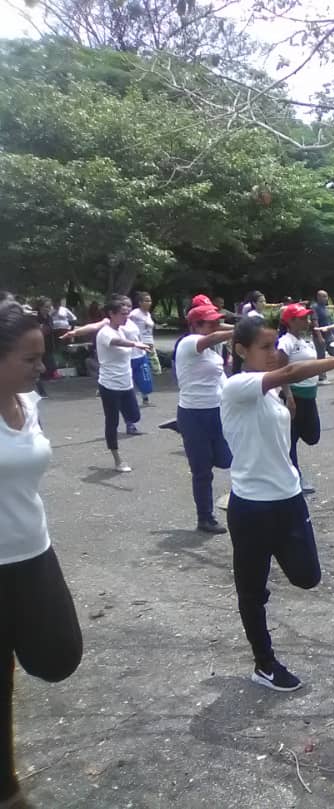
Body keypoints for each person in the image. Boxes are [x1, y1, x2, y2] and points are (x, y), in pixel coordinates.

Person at [222, 316, 334, 691]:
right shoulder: (236, 386)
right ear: (241, 350)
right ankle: (264, 663)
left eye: (274, 345)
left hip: (289, 499)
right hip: (251, 506)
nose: (273, 352)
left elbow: (284, 391)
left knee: (307, 577)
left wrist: (287, 394)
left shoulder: (268, 389)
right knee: (252, 592)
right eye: (264, 347)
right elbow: (290, 371)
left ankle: (272, 558)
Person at [0, 302, 83, 809]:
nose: (42, 367)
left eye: (42, 355)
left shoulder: (29, 405)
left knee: (59, 656)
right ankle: (7, 790)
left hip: (34, 555)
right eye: (29, 359)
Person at [175, 303, 234, 533]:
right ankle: (205, 518)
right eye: (211, 323)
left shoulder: (211, 352)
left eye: (217, 322)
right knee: (202, 470)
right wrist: (242, 329)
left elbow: (221, 380)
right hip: (194, 414)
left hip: (216, 411)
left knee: (227, 459)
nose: (216, 326)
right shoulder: (189, 342)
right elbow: (214, 336)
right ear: (195, 325)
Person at [94, 297, 152, 471]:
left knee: (134, 416)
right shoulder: (105, 332)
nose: (126, 317)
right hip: (110, 385)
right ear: (111, 314)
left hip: (126, 384)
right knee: (112, 422)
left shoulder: (121, 330)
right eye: (122, 314)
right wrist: (135, 344)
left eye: (127, 313)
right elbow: (116, 342)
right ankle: (118, 460)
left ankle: (117, 404)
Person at [276, 303, 323, 493]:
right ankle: (295, 478)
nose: (307, 320)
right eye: (303, 318)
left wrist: (318, 337)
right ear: (291, 321)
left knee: (313, 436)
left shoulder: (305, 341)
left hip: (310, 396)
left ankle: (284, 470)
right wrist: (288, 396)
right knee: (291, 440)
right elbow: (280, 370)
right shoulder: (285, 342)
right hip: (294, 396)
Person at [127, 291, 156, 405]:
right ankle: (138, 396)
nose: (149, 303)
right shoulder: (134, 314)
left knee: (149, 370)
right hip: (139, 346)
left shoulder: (147, 314)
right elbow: (126, 323)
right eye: (146, 300)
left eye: (150, 300)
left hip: (149, 344)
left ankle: (145, 395)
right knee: (139, 371)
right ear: (140, 302)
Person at [311, 290, 333, 382]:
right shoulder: (315, 307)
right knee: (321, 356)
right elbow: (315, 322)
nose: (326, 298)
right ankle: (322, 377)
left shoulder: (325, 307)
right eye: (324, 296)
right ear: (318, 297)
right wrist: (319, 336)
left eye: (326, 296)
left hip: (329, 335)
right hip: (319, 335)